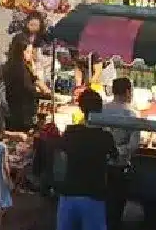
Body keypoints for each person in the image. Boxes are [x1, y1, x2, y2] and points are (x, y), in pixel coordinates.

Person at [56, 89, 116, 230]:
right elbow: (115, 157)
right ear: (100, 109)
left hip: (68, 194)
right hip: (94, 196)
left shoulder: (70, 131)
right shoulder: (105, 137)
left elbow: (60, 158)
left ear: (81, 108)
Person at [100, 77, 141, 230]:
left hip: (100, 166)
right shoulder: (131, 115)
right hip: (120, 167)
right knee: (116, 209)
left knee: (101, 206)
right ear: (128, 92)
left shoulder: (102, 109)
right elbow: (134, 145)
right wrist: (119, 150)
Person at [1, 34, 47, 131]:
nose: (30, 55)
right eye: (27, 52)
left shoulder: (23, 65)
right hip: (20, 113)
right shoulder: (17, 68)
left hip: (21, 111)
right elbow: (28, 90)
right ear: (19, 52)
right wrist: (42, 93)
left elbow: (34, 80)